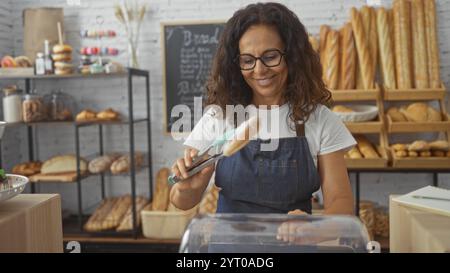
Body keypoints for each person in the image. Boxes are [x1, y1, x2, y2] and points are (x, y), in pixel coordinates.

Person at [170, 2, 355, 215]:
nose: (259, 70)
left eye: (270, 56)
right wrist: (186, 190)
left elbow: (340, 202)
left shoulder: (320, 119)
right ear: (235, 64)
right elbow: (181, 202)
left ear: (292, 56)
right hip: (231, 246)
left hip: (294, 244)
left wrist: (310, 228)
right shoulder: (220, 115)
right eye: (247, 60)